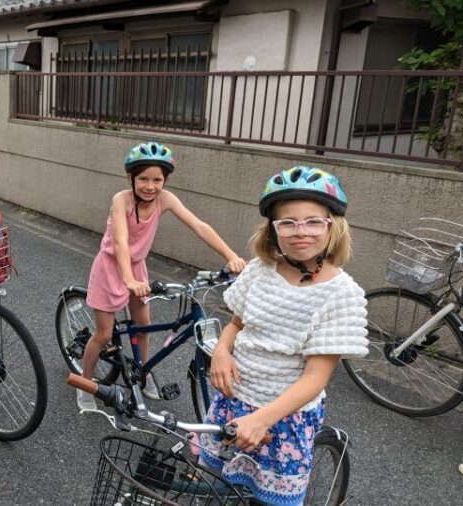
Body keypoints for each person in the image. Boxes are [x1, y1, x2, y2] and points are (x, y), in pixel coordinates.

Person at [201, 166, 369, 505]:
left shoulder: (342, 294)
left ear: (332, 226)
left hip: (284, 418)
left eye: (312, 222)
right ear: (273, 229)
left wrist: (261, 419)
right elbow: (237, 323)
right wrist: (221, 349)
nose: (300, 232)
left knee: (271, 499)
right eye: (287, 223)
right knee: (219, 488)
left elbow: (315, 378)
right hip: (234, 399)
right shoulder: (260, 271)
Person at [77, 142, 247, 410]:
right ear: (130, 178)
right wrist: (128, 280)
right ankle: (84, 382)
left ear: (165, 180)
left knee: (143, 326)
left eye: (157, 180)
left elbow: (199, 226)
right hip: (111, 268)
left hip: (137, 269)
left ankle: (141, 374)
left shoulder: (165, 199)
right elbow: (120, 243)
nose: (150, 186)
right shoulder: (121, 200)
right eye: (143, 178)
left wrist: (231, 256)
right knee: (103, 333)